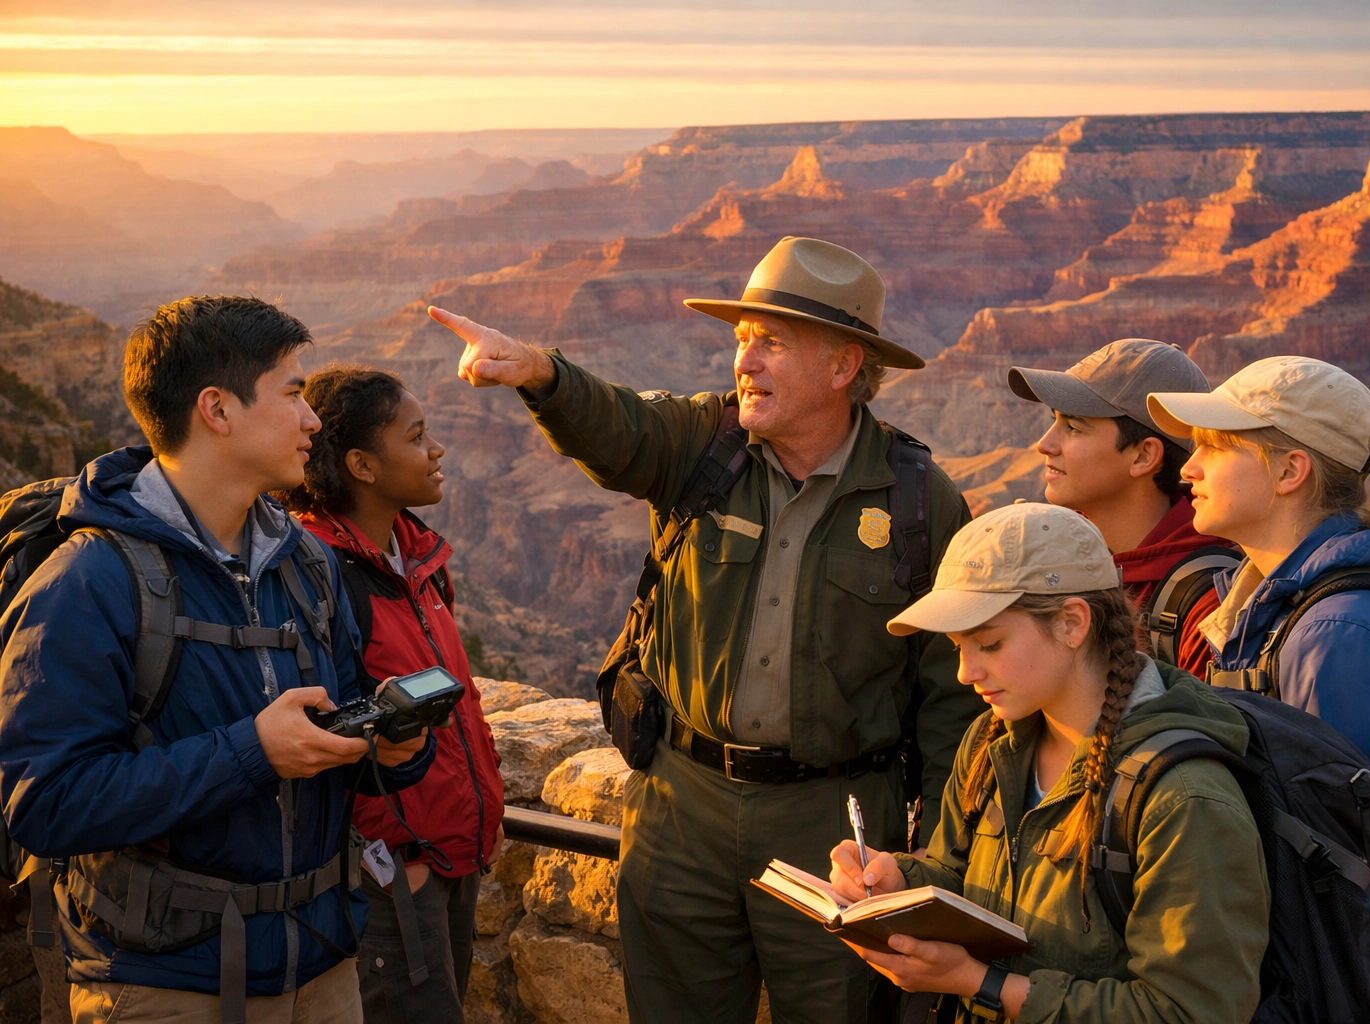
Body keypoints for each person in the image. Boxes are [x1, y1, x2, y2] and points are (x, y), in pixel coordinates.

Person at [428, 236, 984, 1024]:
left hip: (834, 818)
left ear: (843, 366)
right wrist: (540, 373)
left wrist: (936, 861)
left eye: (772, 343)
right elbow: (620, 429)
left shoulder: (919, 501)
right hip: (682, 803)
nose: (744, 362)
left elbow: (951, 695)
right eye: (741, 340)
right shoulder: (705, 445)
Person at [0, 296, 435, 1023]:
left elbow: (332, 724)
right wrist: (253, 751)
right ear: (218, 410)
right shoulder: (88, 582)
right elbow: (45, 805)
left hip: (323, 967)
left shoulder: (310, 565)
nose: (313, 419)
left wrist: (391, 751)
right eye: (293, 392)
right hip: (166, 987)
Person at [827, 502, 1268, 1023]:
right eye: (957, 648)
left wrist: (982, 983)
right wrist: (898, 883)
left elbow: (1192, 1012)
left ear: (1071, 623)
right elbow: (958, 874)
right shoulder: (991, 742)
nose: (966, 673)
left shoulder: (1183, 798)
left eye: (988, 643)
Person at [1147, 354, 1370, 1023]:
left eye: (1215, 446)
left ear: (1290, 471)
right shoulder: (1272, 612)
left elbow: (1367, 895)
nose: (1188, 469)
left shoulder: (1343, 639)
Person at [277, 365, 505, 1024]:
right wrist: (388, 861)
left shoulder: (417, 562)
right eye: (417, 436)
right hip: (388, 878)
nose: (436, 451)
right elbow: (322, 738)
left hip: (444, 860)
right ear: (362, 465)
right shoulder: (318, 577)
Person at [1009, 338, 1234, 675]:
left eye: (1072, 427)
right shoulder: (1048, 556)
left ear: (1143, 456)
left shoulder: (1209, 606)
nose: (1044, 444)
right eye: (1054, 420)